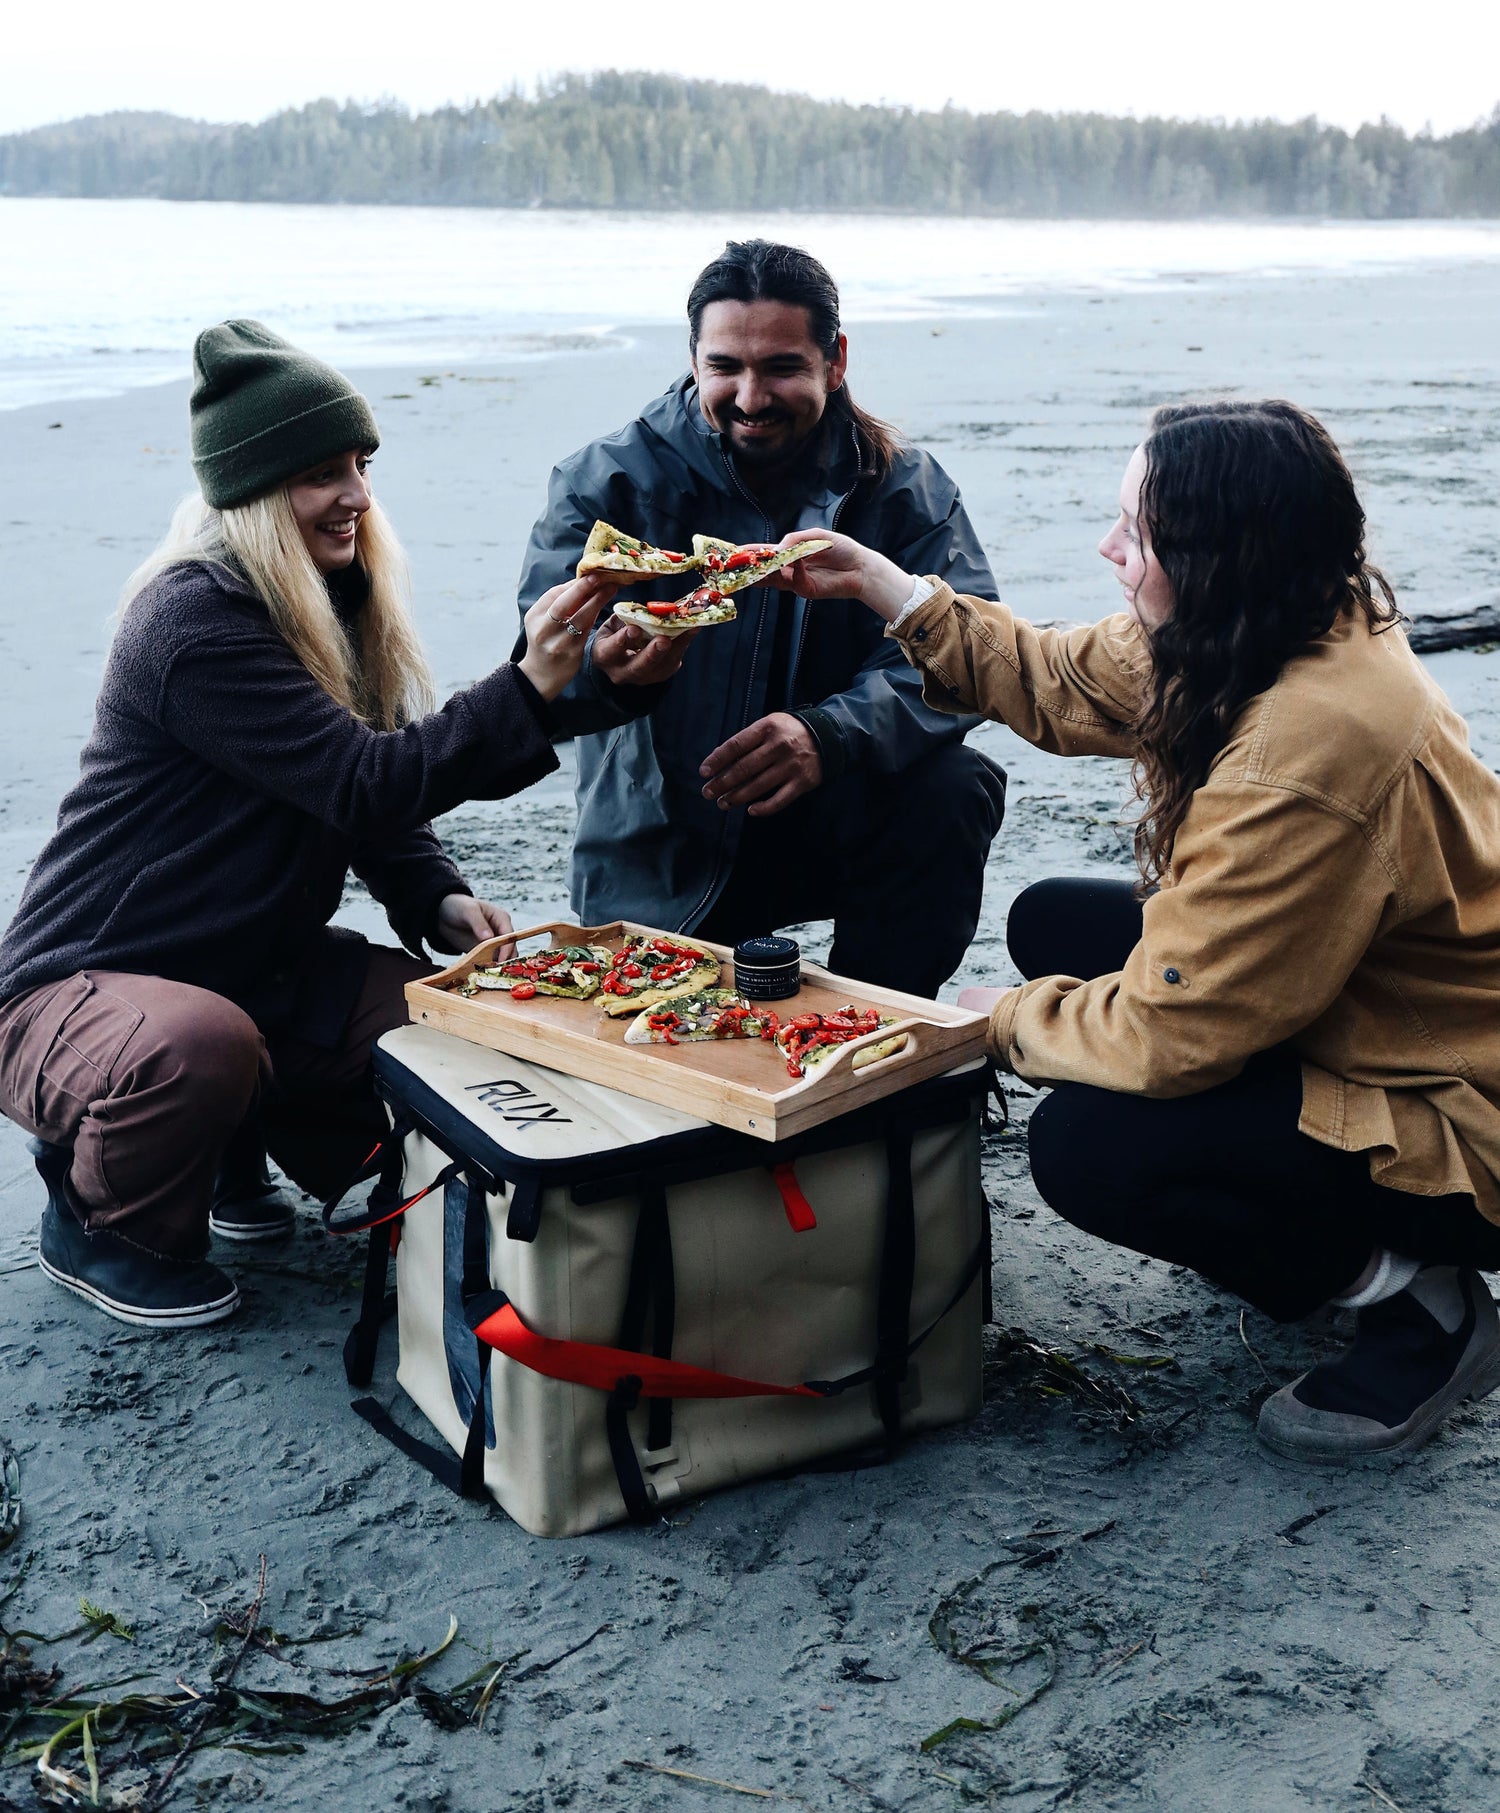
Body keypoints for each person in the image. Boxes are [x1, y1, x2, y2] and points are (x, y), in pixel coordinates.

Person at [779, 398, 1500, 1464]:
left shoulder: (1312, 744)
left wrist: (1000, 1022)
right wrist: (891, 589)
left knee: (1092, 1147)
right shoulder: (1268, 620)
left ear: (1220, 554)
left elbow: (1175, 1033)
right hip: (1358, 1000)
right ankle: (1311, 1224)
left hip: (1453, 1098)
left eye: (1139, 532)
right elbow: (1061, 678)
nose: (1109, 550)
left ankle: (1421, 1304)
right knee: (1053, 922)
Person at [0, 320, 612, 1329]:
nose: (358, 497)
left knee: (454, 1036)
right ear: (252, 489)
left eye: (362, 465)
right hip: (79, 988)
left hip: (253, 972)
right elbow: (368, 781)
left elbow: (360, 800)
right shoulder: (193, 621)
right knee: (196, 1045)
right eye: (322, 473)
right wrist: (529, 688)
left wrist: (437, 894)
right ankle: (99, 1217)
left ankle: (232, 1144)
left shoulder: (327, 599)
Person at [519, 240, 1007, 998]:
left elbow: (965, 655)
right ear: (693, 359)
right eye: (725, 368)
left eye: (781, 366)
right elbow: (534, 675)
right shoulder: (603, 482)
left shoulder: (905, 488)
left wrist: (831, 733)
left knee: (957, 784)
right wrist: (606, 676)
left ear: (834, 360)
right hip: (666, 831)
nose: (751, 397)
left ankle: (876, 1035)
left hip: (841, 801)